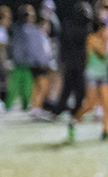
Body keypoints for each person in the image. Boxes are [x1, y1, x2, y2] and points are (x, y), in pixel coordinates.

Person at [52, 2, 95, 142]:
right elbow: (67, 42)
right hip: (72, 63)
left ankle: (70, 112)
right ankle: (69, 112)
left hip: (79, 63)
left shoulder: (85, 26)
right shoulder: (72, 25)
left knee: (75, 89)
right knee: (72, 89)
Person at [75, 21, 108, 140]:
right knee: (90, 105)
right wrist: (105, 40)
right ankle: (76, 117)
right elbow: (102, 54)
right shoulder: (91, 39)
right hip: (92, 75)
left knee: (106, 104)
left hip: (104, 75)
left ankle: (105, 130)